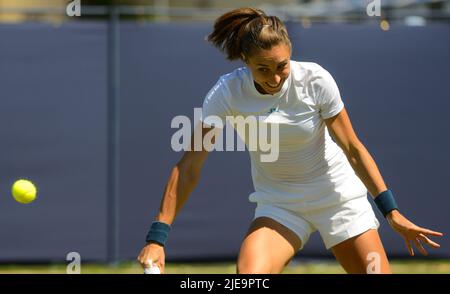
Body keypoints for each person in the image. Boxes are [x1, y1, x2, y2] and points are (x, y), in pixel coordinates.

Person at [137, 7, 443, 274]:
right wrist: (156, 237)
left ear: (290, 51)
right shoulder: (226, 94)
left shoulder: (315, 80)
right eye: (263, 69)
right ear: (245, 60)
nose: (274, 78)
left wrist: (390, 211)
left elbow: (352, 148)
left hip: (338, 199)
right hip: (280, 206)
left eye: (281, 66)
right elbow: (189, 165)